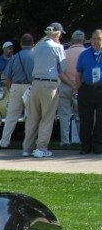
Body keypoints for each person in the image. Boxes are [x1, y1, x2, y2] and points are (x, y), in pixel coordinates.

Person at [22, 22, 67, 158]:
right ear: (57, 33)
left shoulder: (37, 47)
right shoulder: (58, 47)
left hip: (35, 83)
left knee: (33, 117)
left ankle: (27, 148)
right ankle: (41, 147)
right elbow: (63, 68)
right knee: (47, 117)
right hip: (49, 84)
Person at [0, 33, 35, 149]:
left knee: (11, 116)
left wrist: (11, 88)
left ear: (21, 43)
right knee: (30, 116)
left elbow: (6, 76)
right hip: (30, 87)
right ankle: (28, 142)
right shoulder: (35, 56)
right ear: (32, 43)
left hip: (15, 86)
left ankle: (4, 141)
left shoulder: (15, 57)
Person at [74, 28, 102, 154]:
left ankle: (98, 145)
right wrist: (79, 88)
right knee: (85, 120)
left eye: (99, 39)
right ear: (90, 40)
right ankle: (85, 146)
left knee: (101, 120)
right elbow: (78, 73)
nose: (96, 41)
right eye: (94, 38)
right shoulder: (84, 54)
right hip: (86, 90)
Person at [59, 29, 86, 146]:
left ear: (71, 40)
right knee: (80, 115)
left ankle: (65, 141)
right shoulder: (86, 53)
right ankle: (82, 140)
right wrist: (77, 85)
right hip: (81, 87)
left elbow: (60, 72)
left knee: (64, 115)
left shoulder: (64, 53)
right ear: (84, 40)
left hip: (65, 85)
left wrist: (70, 84)